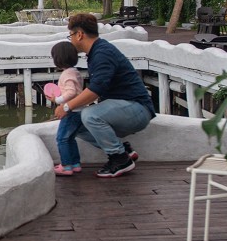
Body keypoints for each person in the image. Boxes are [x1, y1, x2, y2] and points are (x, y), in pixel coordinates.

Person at [58, 12, 156, 178]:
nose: (71, 40)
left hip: (137, 109)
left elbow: (96, 90)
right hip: (125, 108)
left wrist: (67, 106)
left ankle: (119, 159)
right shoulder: (97, 52)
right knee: (76, 123)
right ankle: (123, 150)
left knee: (89, 115)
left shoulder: (102, 53)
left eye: (71, 35)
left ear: (79, 34)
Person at [45, 41, 84, 176]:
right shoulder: (75, 71)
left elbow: (71, 92)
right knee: (70, 139)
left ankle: (66, 166)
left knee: (62, 139)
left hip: (71, 112)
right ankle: (75, 164)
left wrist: (57, 100)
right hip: (78, 110)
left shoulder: (67, 74)